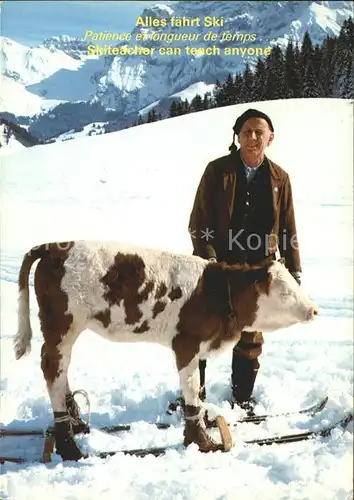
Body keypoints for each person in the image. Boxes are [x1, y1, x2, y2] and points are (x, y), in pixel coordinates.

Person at [188, 108, 302, 413]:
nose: (253, 137)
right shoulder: (217, 172)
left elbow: (288, 228)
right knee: (202, 331)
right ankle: (193, 399)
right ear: (237, 136)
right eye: (246, 131)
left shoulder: (280, 178)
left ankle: (242, 398)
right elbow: (199, 221)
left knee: (251, 335)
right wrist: (208, 260)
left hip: (259, 270)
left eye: (259, 132)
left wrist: (294, 269)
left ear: (270, 138)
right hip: (218, 266)